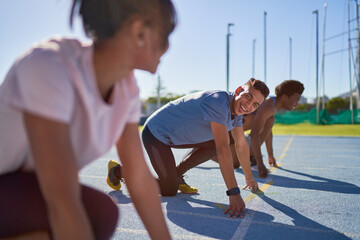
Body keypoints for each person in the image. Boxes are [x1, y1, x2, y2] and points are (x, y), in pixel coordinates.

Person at [0, 0, 176, 239]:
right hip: (8, 184)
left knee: (102, 213)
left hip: (22, 189)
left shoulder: (127, 89)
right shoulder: (50, 65)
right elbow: (61, 198)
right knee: (81, 213)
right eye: (166, 35)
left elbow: (138, 177)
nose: (168, 47)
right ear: (139, 31)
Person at [107, 78, 269, 218]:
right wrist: (233, 192)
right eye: (248, 96)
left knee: (218, 143)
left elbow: (240, 144)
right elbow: (223, 150)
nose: (249, 105)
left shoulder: (237, 114)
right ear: (238, 90)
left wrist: (249, 179)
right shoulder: (219, 102)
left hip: (178, 136)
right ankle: (117, 171)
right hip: (156, 133)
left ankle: (176, 175)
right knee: (169, 190)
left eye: (255, 104)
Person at [195, 80, 305, 179]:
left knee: (236, 164)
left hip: (232, 135)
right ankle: (199, 147)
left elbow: (268, 132)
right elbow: (255, 134)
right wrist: (260, 163)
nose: (297, 103)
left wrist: (270, 155)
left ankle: (250, 156)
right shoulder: (268, 105)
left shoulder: (272, 107)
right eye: (296, 99)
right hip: (222, 133)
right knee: (234, 163)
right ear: (285, 97)